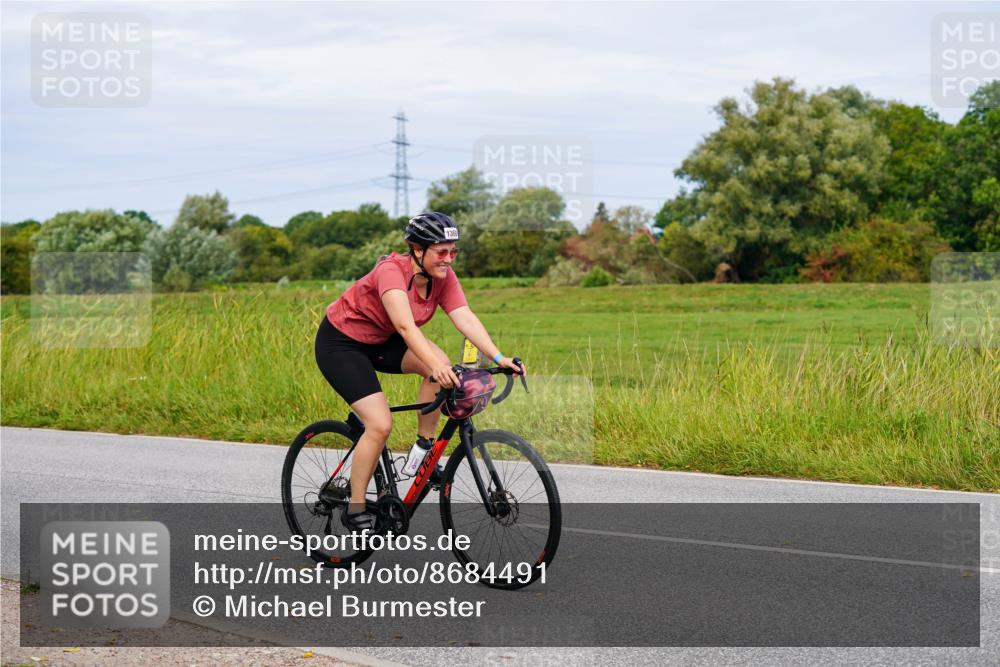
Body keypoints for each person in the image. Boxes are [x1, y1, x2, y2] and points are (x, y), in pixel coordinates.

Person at [314, 211, 525, 532]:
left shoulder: (443, 277)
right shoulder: (391, 271)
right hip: (342, 344)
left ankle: (423, 452)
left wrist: (498, 357)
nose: (449, 259)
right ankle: (355, 506)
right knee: (380, 423)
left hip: (384, 341)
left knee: (439, 366)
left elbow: (464, 316)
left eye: (454, 252)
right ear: (417, 249)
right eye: (441, 252)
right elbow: (404, 325)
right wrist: (437, 366)